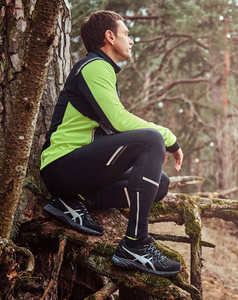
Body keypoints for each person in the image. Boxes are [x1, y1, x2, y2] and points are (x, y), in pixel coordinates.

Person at [40, 10, 183, 277]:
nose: (131, 40)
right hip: (62, 166)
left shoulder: (104, 71)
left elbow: (111, 131)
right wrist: (167, 138)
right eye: (126, 34)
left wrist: (146, 154)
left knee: (160, 184)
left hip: (81, 174)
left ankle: (74, 201)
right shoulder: (94, 66)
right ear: (109, 36)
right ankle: (135, 245)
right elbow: (118, 121)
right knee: (152, 139)